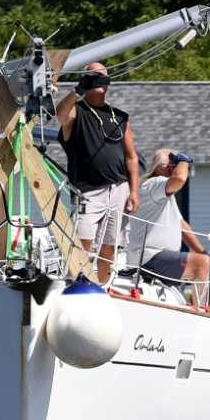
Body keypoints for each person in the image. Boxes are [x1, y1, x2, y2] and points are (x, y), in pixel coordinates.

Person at [56, 62, 138, 283]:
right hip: (88, 191)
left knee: (110, 245)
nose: (98, 81)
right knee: (84, 242)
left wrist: (134, 192)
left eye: (102, 77)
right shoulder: (77, 110)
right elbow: (60, 115)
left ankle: (102, 286)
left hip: (118, 188)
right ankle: (79, 282)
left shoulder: (120, 116)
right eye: (93, 76)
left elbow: (131, 157)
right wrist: (78, 90)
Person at [133, 148, 210, 304]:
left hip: (158, 256)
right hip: (150, 256)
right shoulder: (153, 184)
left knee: (207, 263)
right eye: (173, 164)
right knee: (202, 264)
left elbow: (181, 225)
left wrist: (203, 252)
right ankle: (203, 314)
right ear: (160, 166)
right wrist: (183, 159)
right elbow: (180, 179)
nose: (176, 168)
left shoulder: (164, 194)